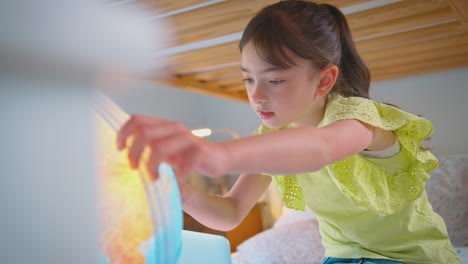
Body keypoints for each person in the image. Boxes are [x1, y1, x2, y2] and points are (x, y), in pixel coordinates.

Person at [116, 1, 460, 263]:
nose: (256, 95)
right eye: (248, 79)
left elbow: (320, 148)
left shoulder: (359, 121)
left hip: (411, 258)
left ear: (325, 80)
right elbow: (231, 212)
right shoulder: (273, 137)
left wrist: (216, 155)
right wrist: (181, 192)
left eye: (275, 80)